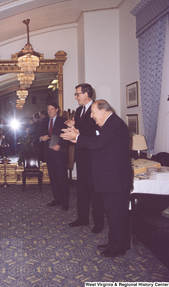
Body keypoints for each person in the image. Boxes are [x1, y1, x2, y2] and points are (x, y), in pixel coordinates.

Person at [61, 99, 133, 257]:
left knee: (116, 215)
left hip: (116, 180)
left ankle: (117, 248)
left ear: (103, 110)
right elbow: (96, 144)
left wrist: (78, 137)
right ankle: (117, 242)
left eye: (93, 112)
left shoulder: (114, 124)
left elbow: (98, 144)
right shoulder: (109, 124)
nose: (92, 116)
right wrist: (77, 138)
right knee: (115, 214)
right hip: (112, 178)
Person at [66, 83, 104, 234]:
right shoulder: (79, 110)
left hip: (93, 156)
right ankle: (82, 218)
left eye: (78, 94)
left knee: (95, 191)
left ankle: (99, 223)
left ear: (87, 94)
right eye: (75, 94)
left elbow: (93, 132)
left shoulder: (96, 109)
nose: (76, 97)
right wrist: (73, 126)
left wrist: (76, 131)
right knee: (81, 189)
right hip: (81, 155)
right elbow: (81, 132)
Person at [38, 102, 69, 211]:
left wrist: (59, 145)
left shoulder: (63, 121)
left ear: (57, 109)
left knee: (62, 178)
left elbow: (68, 137)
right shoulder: (44, 121)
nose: (49, 111)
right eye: (48, 109)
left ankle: (65, 202)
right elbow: (39, 134)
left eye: (52, 109)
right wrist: (41, 137)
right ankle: (57, 199)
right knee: (53, 179)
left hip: (60, 154)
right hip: (49, 154)